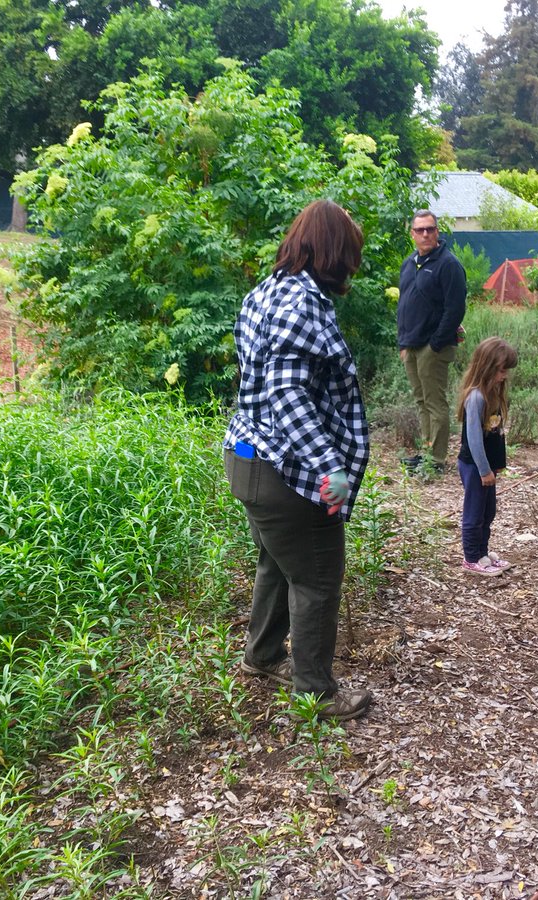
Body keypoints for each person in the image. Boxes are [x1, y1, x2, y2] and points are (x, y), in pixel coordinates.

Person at [224, 199, 372, 721]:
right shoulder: (302, 302)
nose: (352, 265)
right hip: (283, 470)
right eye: (350, 252)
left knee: (278, 561)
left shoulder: (265, 292)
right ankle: (316, 692)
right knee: (316, 577)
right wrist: (329, 466)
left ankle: (262, 656)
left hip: (246, 458)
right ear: (333, 251)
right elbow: (288, 395)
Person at [397, 209, 466, 473]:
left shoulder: (448, 264)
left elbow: (455, 308)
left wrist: (436, 343)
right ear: (412, 234)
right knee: (421, 401)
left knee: (435, 402)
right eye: (420, 230)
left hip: (432, 347)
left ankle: (436, 461)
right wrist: (403, 343)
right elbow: (404, 303)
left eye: (430, 229)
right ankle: (426, 453)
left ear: (437, 231)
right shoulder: (409, 263)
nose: (425, 234)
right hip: (411, 344)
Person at [456, 337, 518, 576]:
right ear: (487, 367)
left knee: (488, 511)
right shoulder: (476, 397)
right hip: (475, 466)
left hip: (487, 467)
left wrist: (496, 465)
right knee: (475, 512)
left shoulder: (493, 394)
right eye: (501, 371)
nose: (504, 376)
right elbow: (473, 439)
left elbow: (494, 434)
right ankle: (471, 557)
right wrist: (483, 470)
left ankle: (483, 552)